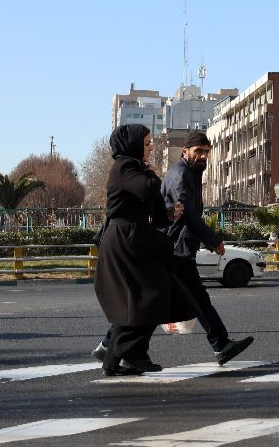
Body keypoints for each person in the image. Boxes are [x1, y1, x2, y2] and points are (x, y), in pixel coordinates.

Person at [92, 124, 196, 376]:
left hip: (135, 238)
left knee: (147, 297)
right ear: (133, 144)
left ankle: (126, 357)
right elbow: (147, 189)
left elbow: (149, 211)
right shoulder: (125, 167)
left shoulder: (132, 168)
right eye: (147, 143)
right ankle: (124, 356)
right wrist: (151, 174)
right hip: (126, 242)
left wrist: (169, 214)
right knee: (145, 296)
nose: (150, 148)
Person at [162, 130, 254, 365]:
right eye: (198, 151)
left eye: (206, 152)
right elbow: (188, 216)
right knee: (154, 301)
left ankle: (221, 344)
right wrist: (213, 240)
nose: (203, 156)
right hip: (173, 249)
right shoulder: (181, 175)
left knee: (184, 300)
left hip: (177, 248)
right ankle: (220, 344)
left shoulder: (189, 173)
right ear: (185, 151)